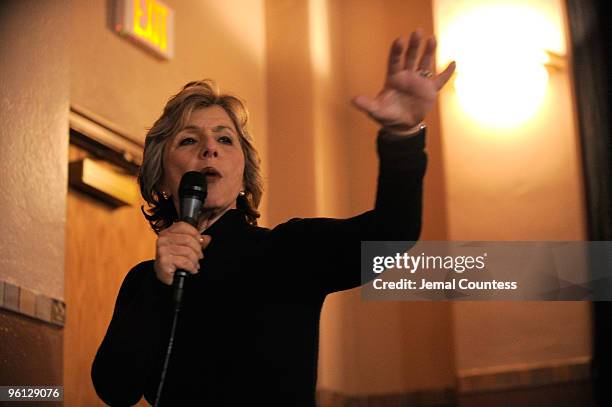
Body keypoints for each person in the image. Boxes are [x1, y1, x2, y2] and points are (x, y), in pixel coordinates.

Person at [91, 30, 455, 406]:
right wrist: (159, 286)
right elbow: (114, 390)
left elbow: (392, 233)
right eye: (188, 140)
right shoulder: (143, 281)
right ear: (161, 177)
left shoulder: (289, 250)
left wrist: (402, 135)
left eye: (225, 139)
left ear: (244, 174)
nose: (210, 148)